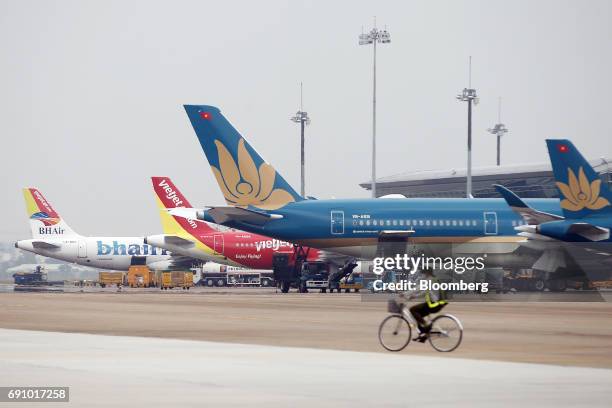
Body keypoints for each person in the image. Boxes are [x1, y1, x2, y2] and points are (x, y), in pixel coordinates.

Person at [401, 269, 448, 342]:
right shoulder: (434, 279)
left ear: (428, 273)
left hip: (433, 304)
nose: (423, 275)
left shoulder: (429, 280)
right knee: (417, 316)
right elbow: (424, 292)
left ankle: (426, 326)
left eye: (424, 273)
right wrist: (414, 296)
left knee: (412, 310)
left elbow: (418, 289)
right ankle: (423, 334)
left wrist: (405, 293)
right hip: (438, 304)